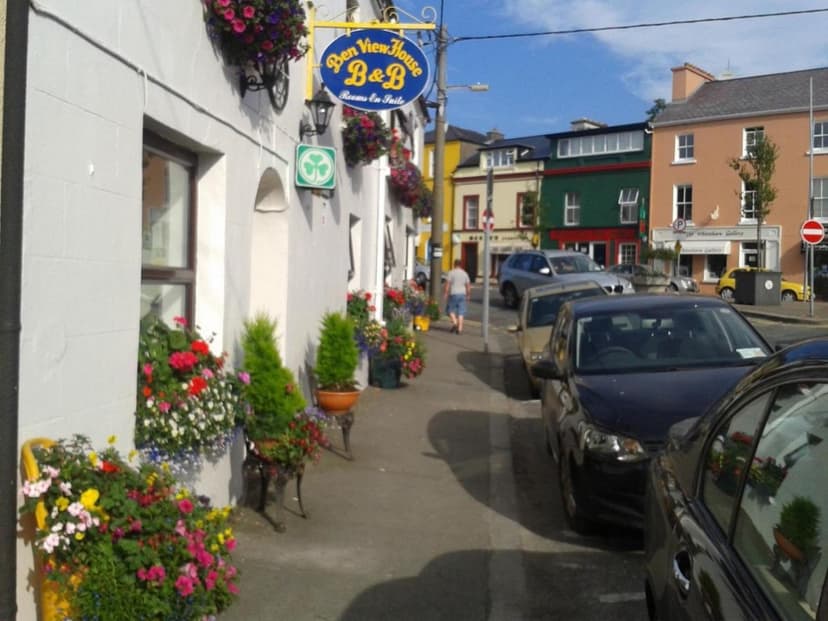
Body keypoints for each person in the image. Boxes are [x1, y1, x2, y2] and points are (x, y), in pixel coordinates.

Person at [443, 259, 471, 334]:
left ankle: (455, 323)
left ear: (454, 264)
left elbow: (447, 284)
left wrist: (445, 293)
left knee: (449, 310)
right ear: (460, 265)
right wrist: (468, 295)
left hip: (454, 293)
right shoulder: (465, 273)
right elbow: (468, 285)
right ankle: (460, 329)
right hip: (462, 294)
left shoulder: (451, 273)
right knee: (461, 312)